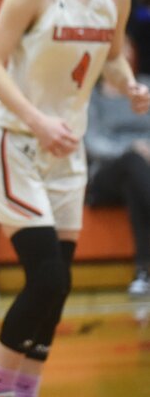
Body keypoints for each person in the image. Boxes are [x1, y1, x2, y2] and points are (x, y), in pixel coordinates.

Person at [0, 0, 150, 397]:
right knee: (48, 278)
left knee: (59, 285)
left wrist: (128, 85)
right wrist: (36, 119)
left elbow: (111, 58)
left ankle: (25, 388)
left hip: (67, 152)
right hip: (15, 145)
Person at [85, 50, 150, 298]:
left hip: (141, 173)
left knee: (133, 184)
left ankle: (142, 273)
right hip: (105, 174)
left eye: (127, 47)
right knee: (132, 163)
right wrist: (130, 150)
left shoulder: (145, 87)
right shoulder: (92, 95)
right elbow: (92, 142)